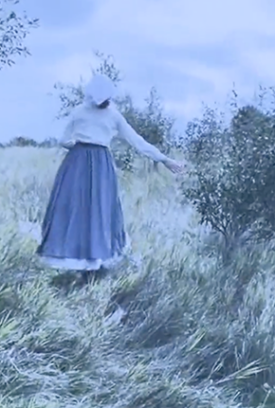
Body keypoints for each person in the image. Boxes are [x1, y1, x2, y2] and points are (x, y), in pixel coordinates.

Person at [37, 74, 186, 283]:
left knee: (75, 211)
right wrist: (165, 160)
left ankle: (79, 263)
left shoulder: (78, 112)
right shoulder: (113, 115)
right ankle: (94, 265)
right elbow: (138, 142)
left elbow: (63, 140)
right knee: (99, 211)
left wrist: (78, 148)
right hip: (100, 165)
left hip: (76, 164)